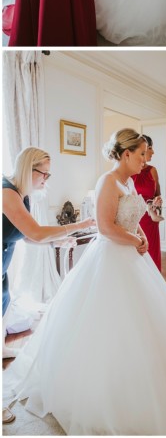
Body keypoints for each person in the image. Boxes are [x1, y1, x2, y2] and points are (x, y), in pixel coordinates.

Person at [5, 129, 166, 434]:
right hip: (110, 257)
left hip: (129, 256)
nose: (145, 159)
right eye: (141, 154)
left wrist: (140, 234)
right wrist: (132, 239)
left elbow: (130, 219)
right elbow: (104, 227)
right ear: (125, 154)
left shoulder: (127, 182)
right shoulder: (106, 181)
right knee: (106, 322)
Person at [2, 148, 94, 424]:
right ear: (30, 169)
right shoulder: (6, 192)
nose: (46, 180)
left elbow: (25, 236)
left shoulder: (22, 195)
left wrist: (55, 242)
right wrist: (80, 225)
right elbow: (37, 232)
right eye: (45, 173)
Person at [131, 134, 163, 271]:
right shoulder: (129, 172)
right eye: (150, 148)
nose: (153, 152)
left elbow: (157, 194)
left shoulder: (152, 171)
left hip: (150, 220)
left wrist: (157, 201)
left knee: (152, 255)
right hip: (136, 219)